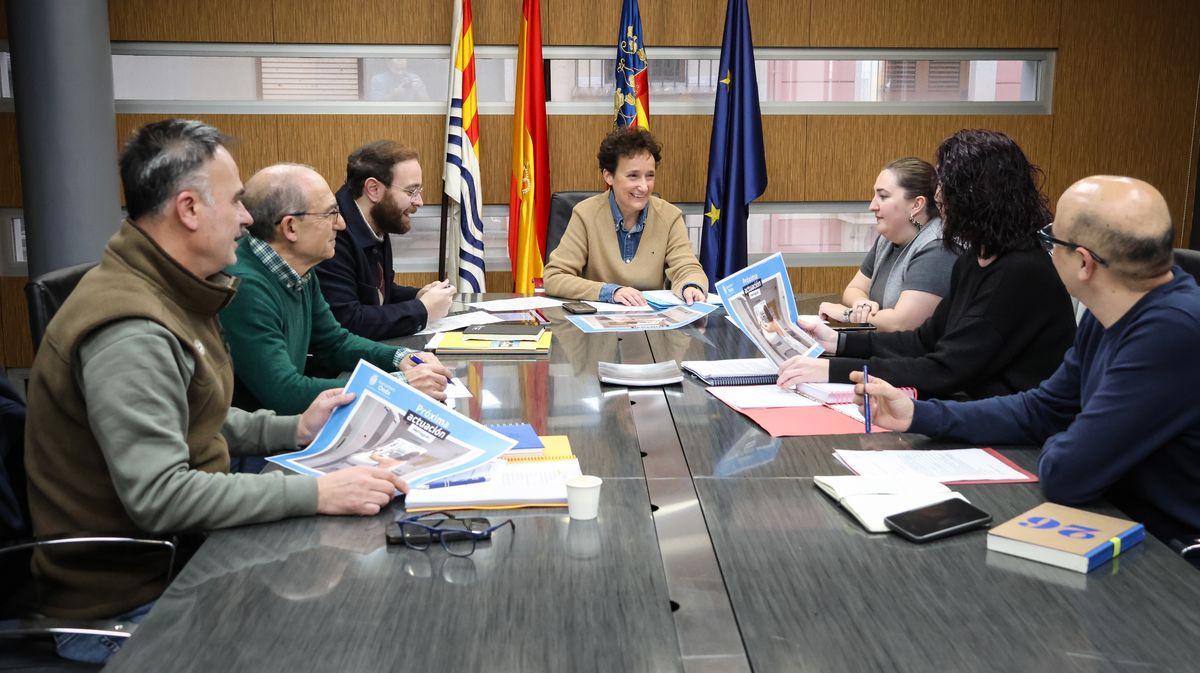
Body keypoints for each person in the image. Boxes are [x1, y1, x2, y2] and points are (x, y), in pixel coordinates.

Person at [22, 119, 409, 664]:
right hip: (136, 603)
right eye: (235, 201)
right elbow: (162, 496)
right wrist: (318, 494)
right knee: (342, 638)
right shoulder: (131, 327)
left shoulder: (173, 291)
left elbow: (194, 414)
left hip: (187, 558)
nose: (249, 218)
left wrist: (292, 428)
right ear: (189, 209)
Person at [853, 176, 1200, 546]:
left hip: (1170, 556)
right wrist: (919, 414)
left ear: (1083, 262)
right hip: (1111, 519)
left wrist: (1065, 433)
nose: (1046, 251)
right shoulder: (1111, 311)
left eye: (1051, 241)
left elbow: (1067, 473)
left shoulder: (1171, 332)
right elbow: (1042, 409)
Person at [777, 129, 1075, 400]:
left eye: (945, 185)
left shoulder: (1021, 272)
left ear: (976, 196)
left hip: (1015, 435)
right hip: (976, 407)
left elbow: (945, 370)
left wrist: (833, 371)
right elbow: (925, 340)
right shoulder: (975, 260)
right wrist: (838, 344)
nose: (938, 196)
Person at [221, 163, 452, 422]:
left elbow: (335, 342)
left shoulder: (300, 268)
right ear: (290, 228)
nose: (341, 224)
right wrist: (399, 385)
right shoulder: (245, 287)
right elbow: (284, 393)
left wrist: (402, 358)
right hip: (259, 447)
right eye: (331, 214)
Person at [543, 127, 708, 306]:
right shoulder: (585, 214)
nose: (644, 187)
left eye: (650, 176)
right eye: (633, 176)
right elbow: (555, 277)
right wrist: (610, 292)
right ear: (609, 176)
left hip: (652, 325)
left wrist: (691, 286)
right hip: (598, 327)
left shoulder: (670, 216)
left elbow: (687, 268)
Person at [314, 141, 455, 340]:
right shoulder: (333, 235)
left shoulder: (378, 217)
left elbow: (374, 293)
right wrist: (421, 309)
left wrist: (417, 296)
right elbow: (348, 321)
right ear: (373, 189)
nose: (419, 202)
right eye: (411, 191)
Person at [818, 157, 958, 331]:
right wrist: (862, 305)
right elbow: (854, 289)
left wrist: (849, 314)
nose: (872, 205)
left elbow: (901, 324)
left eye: (883, 196)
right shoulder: (888, 238)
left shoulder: (937, 249)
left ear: (916, 204)